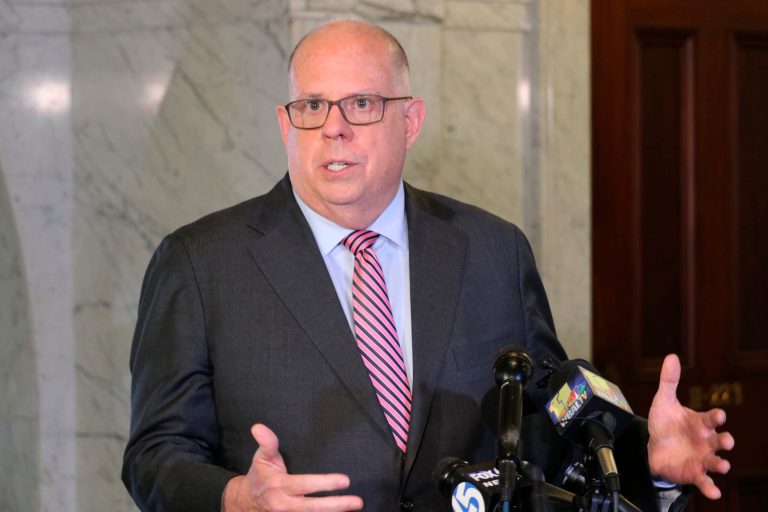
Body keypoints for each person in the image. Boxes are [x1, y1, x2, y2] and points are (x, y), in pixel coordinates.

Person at [122, 19, 734, 512]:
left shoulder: (492, 250)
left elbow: (547, 432)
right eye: (311, 105)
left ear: (409, 122)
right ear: (286, 123)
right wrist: (235, 498)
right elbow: (154, 455)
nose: (333, 129)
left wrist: (643, 456)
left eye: (361, 103)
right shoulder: (200, 263)